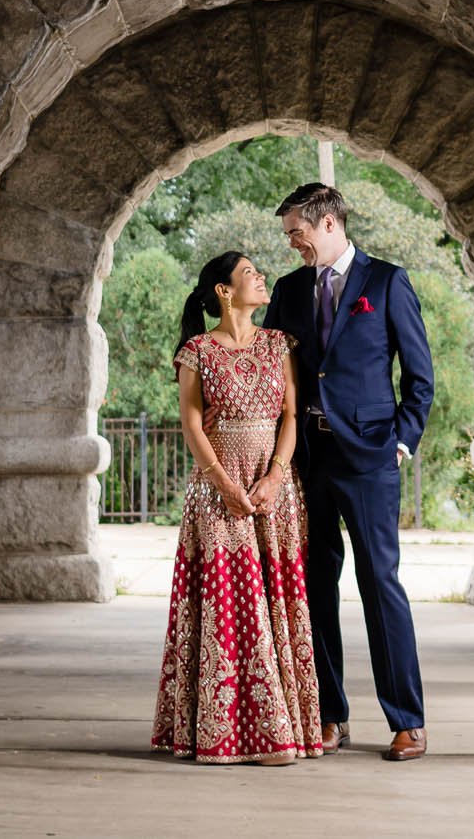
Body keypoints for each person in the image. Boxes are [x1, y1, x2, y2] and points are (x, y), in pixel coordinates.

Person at [262, 182, 433, 761]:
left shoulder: (387, 283)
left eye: (298, 233)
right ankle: (329, 715)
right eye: (289, 235)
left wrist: (401, 445)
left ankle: (408, 720)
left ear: (328, 223)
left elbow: (419, 379)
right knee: (313, 588)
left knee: (380, 585)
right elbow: (275, 373)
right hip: (307, 461)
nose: (293, 245)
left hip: (371, 459)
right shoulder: (287, 290)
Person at [151, 250, 324, 765]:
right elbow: (192, 424)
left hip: (275, 492)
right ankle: (225, 734)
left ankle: (280, 731)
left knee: (275, 602)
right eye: (250, 273)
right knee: (232, 605)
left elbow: (292, 415)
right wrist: (224, 484)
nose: (261, 278)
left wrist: (275, 475)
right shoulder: (197, 351)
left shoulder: (279, 345)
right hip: (217, 493)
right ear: (224, 291)